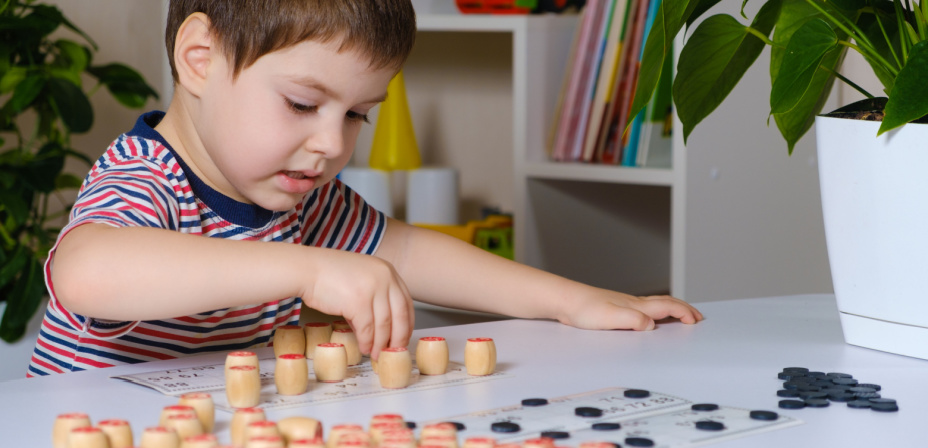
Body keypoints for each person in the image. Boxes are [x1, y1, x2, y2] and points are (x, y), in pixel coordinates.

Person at [27, 0, 701, 377]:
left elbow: (407, 252)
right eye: (301, 103)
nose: (331, 144)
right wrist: (309, 269)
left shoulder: (299, 193)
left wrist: (571, 301)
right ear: (200, 59)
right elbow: (89, 272)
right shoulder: (147, 177)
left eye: (355, 114)